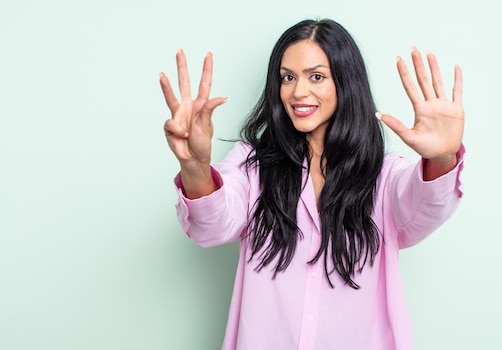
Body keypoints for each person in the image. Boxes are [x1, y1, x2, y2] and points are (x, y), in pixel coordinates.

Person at [160, 18, 465, 350]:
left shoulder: (384, 176)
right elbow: (212, 225)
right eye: (287, 77)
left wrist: (442, 158)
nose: (297, 91)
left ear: (345, 83)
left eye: (316, 76)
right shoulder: (252, 165)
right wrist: (194, 166)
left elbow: (426, 206)